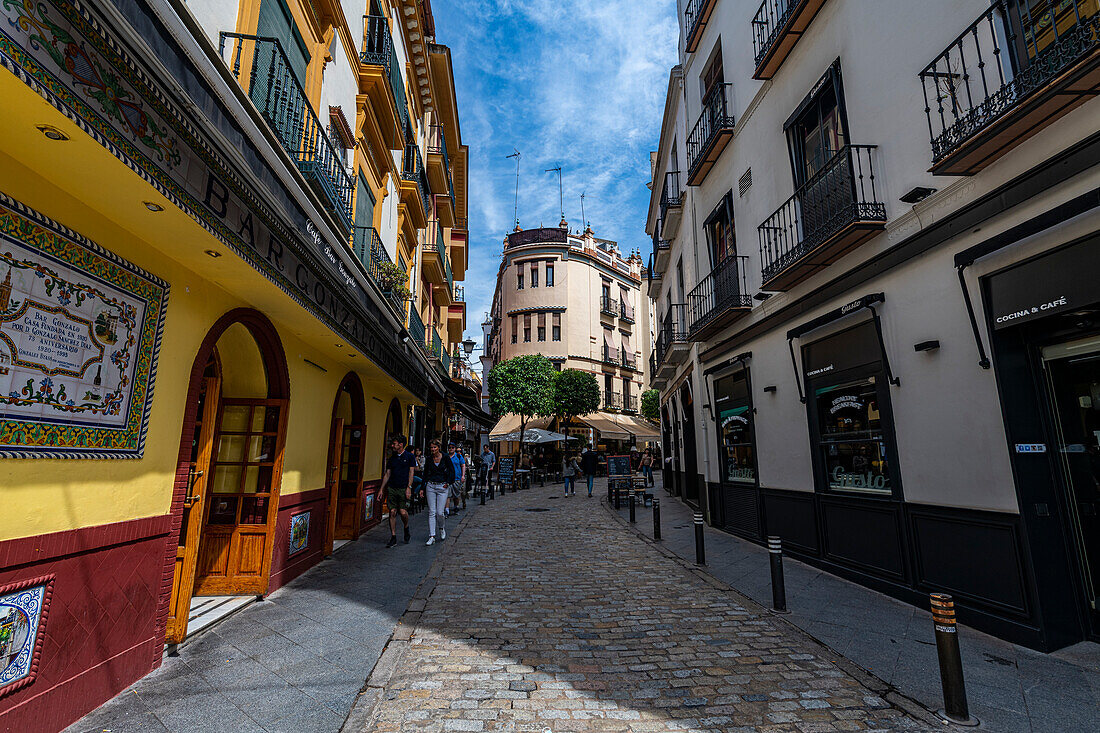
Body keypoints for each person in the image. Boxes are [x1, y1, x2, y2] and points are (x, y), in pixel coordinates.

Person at [380, 435, 415, 548]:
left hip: (403, 488)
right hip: (392, 487)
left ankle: (406, 527)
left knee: (403, 512)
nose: (392, 445)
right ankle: (393, 536)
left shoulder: (409, 456)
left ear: (400, 444)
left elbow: (411, 473)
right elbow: (387, 474)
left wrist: (409, 487)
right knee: (392, 512)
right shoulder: (392, 458)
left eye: (394, 443)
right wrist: (381, 489)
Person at [421, 439, 456, 545]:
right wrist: (423, 488)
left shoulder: (445, 457)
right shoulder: (429, 459)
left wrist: (448, 482)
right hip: (431, 486)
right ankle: (432, 536)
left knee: (439, 512)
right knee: (432, 512)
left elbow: (452, 471)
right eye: (431, 447)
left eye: (434, 447)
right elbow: (425, 473)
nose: (433, 449)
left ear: (438, 447)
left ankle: (441, 528)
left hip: (442, 486)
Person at [446, 442, 467, 514]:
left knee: (456, 495)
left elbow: (463, 465)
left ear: (454, 448)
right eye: (449, 447)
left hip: (457, 478)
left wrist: (463, 476)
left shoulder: (458, 456)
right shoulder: (446, 456)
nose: (451, 449)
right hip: (448, 479)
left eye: (452, 447)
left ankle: (456, 506)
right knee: (447, 495)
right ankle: (447, 510)